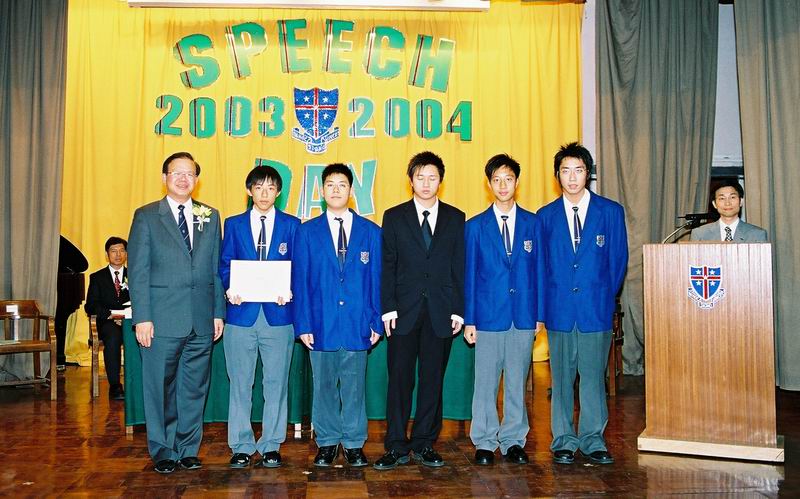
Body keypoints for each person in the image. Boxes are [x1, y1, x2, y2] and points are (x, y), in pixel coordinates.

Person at [127, 152, 225, 474]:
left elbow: (215, 270)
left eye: (190, 174)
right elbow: (137, 272)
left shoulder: (210, 215)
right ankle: (163, 449)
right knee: (160, 387)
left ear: (197, 179)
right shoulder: (147, 216)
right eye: (177, 173)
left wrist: (218, 312)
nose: (184, 179)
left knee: (194, 389)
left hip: (201, 319)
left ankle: (188, 449)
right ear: (164, 177)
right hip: (161, 320)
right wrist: (142, 317)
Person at [537, 142, 628, 466]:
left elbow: (618, 262)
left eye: (578, 170)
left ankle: (592, 439)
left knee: (592, 378)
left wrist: (601, 297)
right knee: (561, 380)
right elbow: (541, 267)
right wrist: (543, 310)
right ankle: (563, 439)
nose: (572, 177)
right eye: (566, 171)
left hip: (594, 309)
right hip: (559, 310)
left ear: (588, 173)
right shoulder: (545, 216)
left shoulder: (610, 211)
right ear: (557, 175)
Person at [375, 151, 466, 470]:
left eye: (432, 178)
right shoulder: (394, 216)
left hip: (441, 312)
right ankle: (396, 444)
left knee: (432, 380)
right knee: (399, 380)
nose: (426, 184)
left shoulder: (455, 217)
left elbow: (459, 266)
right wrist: (388, 308)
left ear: (441, 181)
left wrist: (458, 309)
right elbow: (387, 266)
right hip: (403, 312)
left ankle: (425, 442)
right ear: (410, 180)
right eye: (420, 177)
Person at [292, 163, 383, 468]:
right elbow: (301, 282)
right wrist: (303, 324)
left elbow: (377, 281)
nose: (335, 190)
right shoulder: (307, 232)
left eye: (342, 184)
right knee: (324, 386)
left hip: (358, 323)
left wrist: (376, 320)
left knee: (355, 388)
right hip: (320, 324)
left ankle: (354, 443)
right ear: (321, 190)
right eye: (330, 184)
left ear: (351, 190)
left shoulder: (371, 232)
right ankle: (328, 442)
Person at [463, 154, 543, 466]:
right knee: (485, 382)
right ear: (489, 184)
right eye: (496, 180)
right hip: (487, 317)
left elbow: (539, 272)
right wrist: (470, 319)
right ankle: (484, 441)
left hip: (522, 315)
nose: (503, 185)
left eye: (508, 179)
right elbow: (469, 276)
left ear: (517, 182)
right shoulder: (475, 227)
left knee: (516, 381)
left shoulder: (533, 224)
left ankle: (513, 440)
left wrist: (539, 315)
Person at [219, 166, 300, 469]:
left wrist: (289, 290)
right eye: (259, 187)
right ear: (249, 190)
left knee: (276, 382)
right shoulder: (234, 224)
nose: (264, 194)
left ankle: (271, 444)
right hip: (241, 315)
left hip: (279, 316)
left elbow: (299, 267)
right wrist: (230, 288)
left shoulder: (292, 225)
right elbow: (224, 264)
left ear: (278, 192)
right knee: (240, 382)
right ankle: (241, 445)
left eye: (270, 188)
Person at [84, 236, 129, 400]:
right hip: (107, 322)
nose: (118, 254)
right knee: (113, 336)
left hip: (131, 321)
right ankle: (115, 386)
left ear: (126, 254)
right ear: (107, 254)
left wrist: (126, 316)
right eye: (114, 251)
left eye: (122, 251)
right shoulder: (97, 277)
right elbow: (90, 305)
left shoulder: (135, 275)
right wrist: (110, 315)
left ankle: (139, 384)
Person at [690, 179, 768, 242]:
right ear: (714, 204)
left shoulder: (757, 234)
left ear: (741, 201)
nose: (727, 203)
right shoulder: (699, 234)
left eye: (732, 197)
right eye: (722, 198)